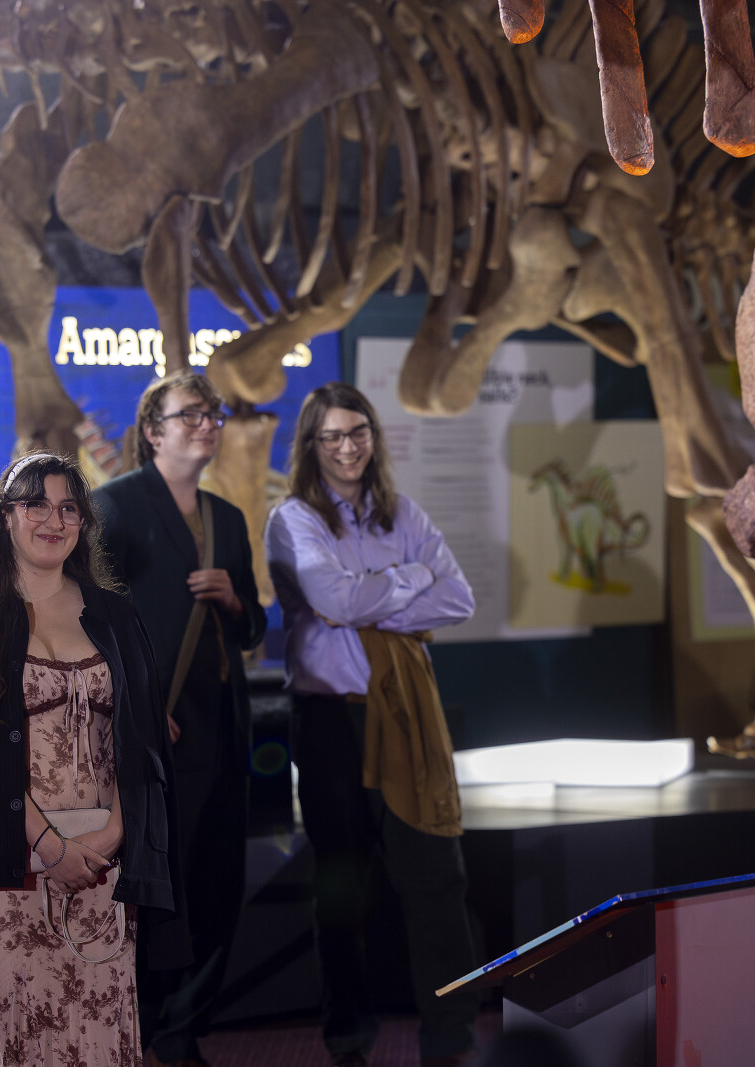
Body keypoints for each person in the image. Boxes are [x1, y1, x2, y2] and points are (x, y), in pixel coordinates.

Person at [0, 451, 189, 1067]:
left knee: (96, 1028)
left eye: (68, 508)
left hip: (105, 866)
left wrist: (111, 836)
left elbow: (145, 747)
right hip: (8, 866)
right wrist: (49, 848)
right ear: (5, 516)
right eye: (36, 505)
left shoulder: (117, 616)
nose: (54, 520)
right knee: (11, 1028)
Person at [263, 382, 480, 1067]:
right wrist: (410, 578)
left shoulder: (404, 513)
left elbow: (460, 598)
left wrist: (369, 600)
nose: (347, 447)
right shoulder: (292, 519)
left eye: (357, 432)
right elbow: (331, 597)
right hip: (329, 722)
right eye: (331, 436)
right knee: (342, 892)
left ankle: (450, 1042)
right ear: (311, 445)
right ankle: (349, 1042)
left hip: (405, 718)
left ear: (373, 438)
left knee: (437, 882)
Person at [92, 371, 265, 1067]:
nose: (207, 423)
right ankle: (137, 1030)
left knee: (220, 884)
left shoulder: (228, 518)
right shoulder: (114, 506)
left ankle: (181, 1034)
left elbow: (252, 629)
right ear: (152, 431)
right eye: (190, 413)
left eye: (212, 413)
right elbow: (89, 622)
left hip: (224, 728)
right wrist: (132, 708)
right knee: (157, 889)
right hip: (158, 733)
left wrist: (233, 601)